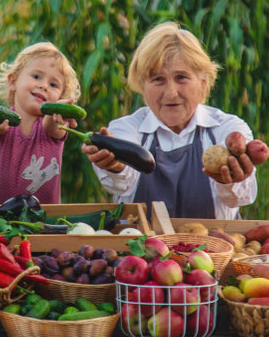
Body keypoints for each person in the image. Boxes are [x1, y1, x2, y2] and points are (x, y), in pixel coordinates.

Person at [81, 21, 257, 220]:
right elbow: (121, 182)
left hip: (216, 248)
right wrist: (115, 164)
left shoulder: (227, 129)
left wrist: (232, 179)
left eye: (181, 77)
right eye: (158, 79)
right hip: (140, 249)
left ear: (203, 83)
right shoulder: (126, 128)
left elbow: (238, 199)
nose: (171, 93)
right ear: (142, 86)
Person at [0, 42, 81, 205]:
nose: (44, 86)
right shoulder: (2, 123)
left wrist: (59, 111)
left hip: (44, 220)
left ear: (60, 96)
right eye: (36, 77)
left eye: (53, 85)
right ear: (13, 81)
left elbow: (53, 126)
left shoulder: (51, 125)